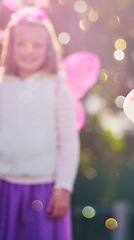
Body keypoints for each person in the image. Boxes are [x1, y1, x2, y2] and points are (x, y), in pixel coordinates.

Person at [0, 7, 80, 240]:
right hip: (4, 188)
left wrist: (64, 188)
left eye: (37, 45)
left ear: (49, 50)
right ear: (10, 47)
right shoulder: (2, 86)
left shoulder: (57, 88)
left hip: (44, 191)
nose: (29, 51)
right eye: (22, 44)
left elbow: (69, 142)